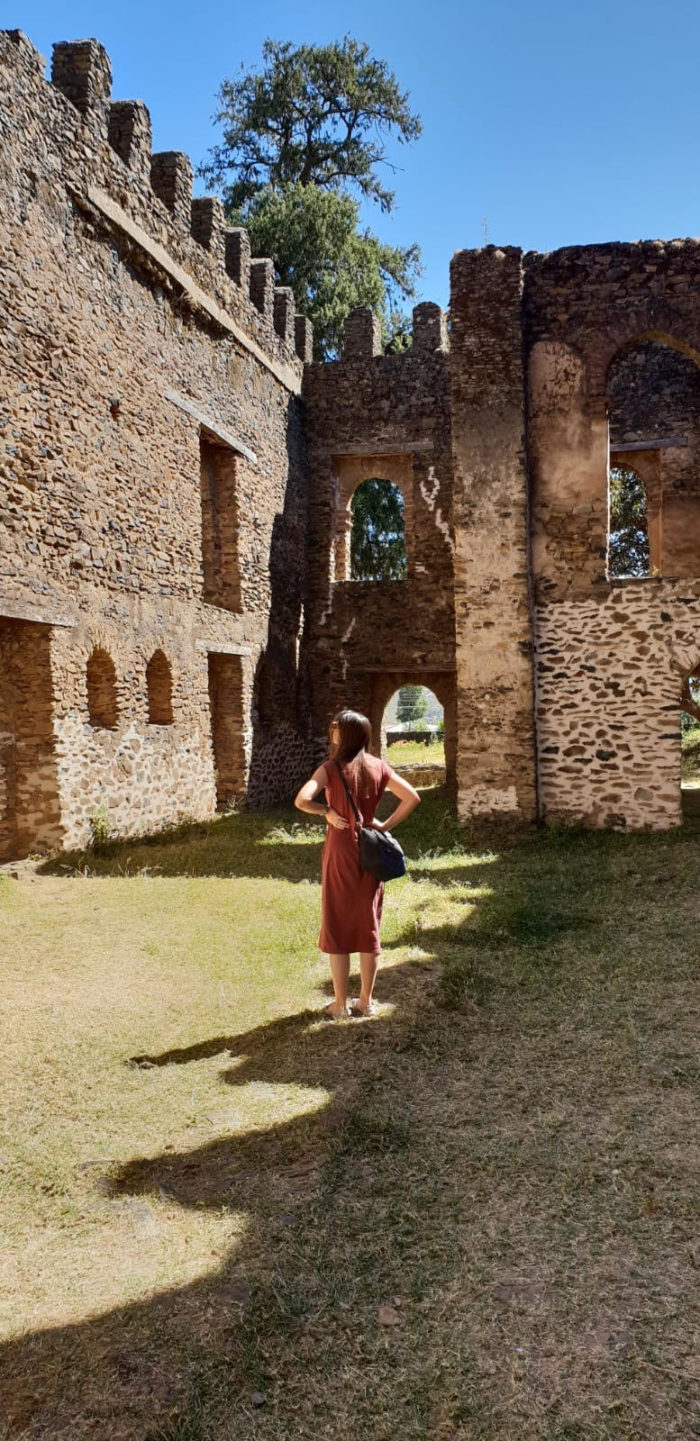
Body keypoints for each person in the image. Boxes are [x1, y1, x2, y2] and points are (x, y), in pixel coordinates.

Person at [295, 709, 420, 1019]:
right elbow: (413, 797)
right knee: (368, 923)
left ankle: (339, 1004)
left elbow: (301, 800)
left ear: (344, 734)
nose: (331, 731)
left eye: (335, 727)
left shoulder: (330, 768)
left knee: (337, 922)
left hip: (340, 850)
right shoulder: (379, 767)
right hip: (370, 851)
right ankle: (366, 1001)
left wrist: (325, 811)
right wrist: (383, 827)